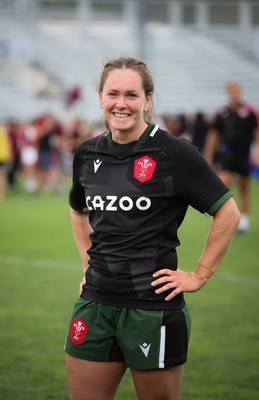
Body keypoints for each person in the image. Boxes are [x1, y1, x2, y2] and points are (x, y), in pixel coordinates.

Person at [64, 57, 240, 400]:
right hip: (95, 304)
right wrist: (88, 266)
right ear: (100, 97)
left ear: (147, 99)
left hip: (152, 308)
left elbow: (227, 212)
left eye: (132, 94)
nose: (121, 103)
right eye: (113, 93)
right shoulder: (87, 153)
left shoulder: (174, 153)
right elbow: (78, 210)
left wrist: (199, 275)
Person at [204, 81, 259, 233]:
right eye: (231, 91)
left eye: (236, 91)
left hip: (243, 154)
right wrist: (208, 156)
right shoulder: (222, 113)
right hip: (226, 154)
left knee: (243, 186)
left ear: (240, 91)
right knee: (223, 183)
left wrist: (257, 152)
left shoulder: (250, 112)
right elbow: (214, 136)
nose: (233, 94)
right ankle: (227, 215)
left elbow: (256, 132)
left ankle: (244, 220)